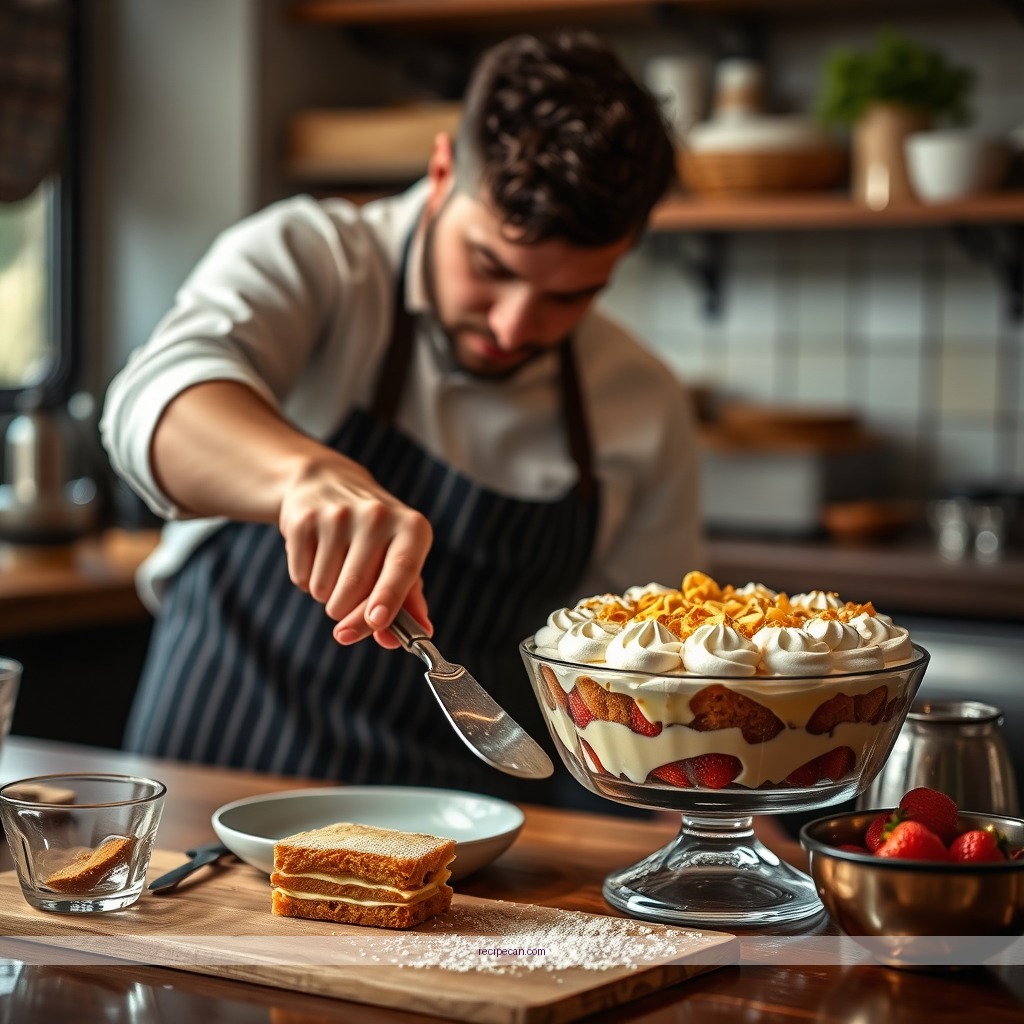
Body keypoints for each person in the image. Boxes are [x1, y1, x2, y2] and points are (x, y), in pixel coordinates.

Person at [100, 30, 702, 804]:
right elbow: (151, 403)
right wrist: (305, 477)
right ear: (442, 171)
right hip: (209, 792)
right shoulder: (315, 258)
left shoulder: (641, 403)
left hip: (463, 838)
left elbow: (629, 685)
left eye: (570, 295)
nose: (514, 325)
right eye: (490, 266)